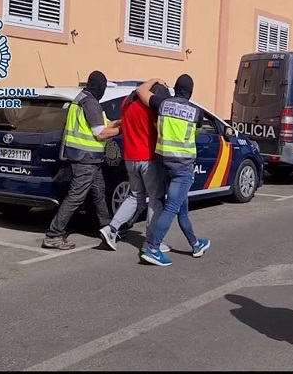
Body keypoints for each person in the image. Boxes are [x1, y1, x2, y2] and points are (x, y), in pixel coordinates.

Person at [136, 75, 210, 266]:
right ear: (190, 91)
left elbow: (141, 91)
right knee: (172, 208)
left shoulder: (162, 104)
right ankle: (153, 248)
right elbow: (196, 135)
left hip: (163, 163)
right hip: (182, 168)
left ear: (176, 89)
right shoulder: (196, 112)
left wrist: (153, 80)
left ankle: (195, 244)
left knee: (181, 208)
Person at [42, 71, 121, 250]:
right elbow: (100, 133)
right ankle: (53, 235)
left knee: (99, 193)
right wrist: (122, 131)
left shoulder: (80, 99)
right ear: (99, 86)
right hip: (85, 158)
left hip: (88, 159)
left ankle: (106, 229)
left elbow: (104, 124)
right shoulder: (90, 102)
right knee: (76, 197)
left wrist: (121, 122)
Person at [98, 82, 172, 253]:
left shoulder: (126, 103)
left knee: (135, 197)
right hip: (148, 157)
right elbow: (159, 130)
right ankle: (152, 241)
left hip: (130, 157)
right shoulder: (149, 109)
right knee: (155, 198)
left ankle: (111, 229)